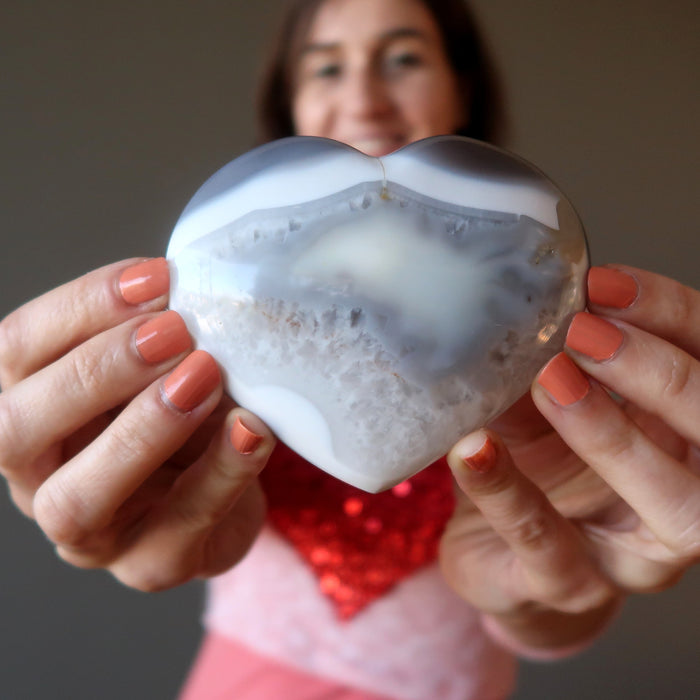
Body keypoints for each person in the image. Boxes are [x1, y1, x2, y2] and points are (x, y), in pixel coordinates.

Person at [0, 0, 698, 698]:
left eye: (403, 58)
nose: (363, 98)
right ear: (291, 100)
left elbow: (565, 602)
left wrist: (556, 587)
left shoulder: (541, 308)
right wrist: (118, 495)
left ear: (462, 86)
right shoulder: (224, 304)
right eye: (327, 67)